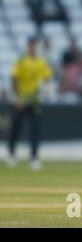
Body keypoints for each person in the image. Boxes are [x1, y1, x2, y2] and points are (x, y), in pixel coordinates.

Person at [6, 37, 52, 170]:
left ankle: (34, 158)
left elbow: (47, 77)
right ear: (27, 47)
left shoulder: (41, 62)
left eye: (34, 46)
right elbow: (14, 78)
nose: (32, 48)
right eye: (30, 46)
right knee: (16, 128)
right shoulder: (22, 61)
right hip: (21, 99)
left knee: (35, 130)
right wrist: (17, 97)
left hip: (35, 100)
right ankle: (11, 154)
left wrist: (47, 90)